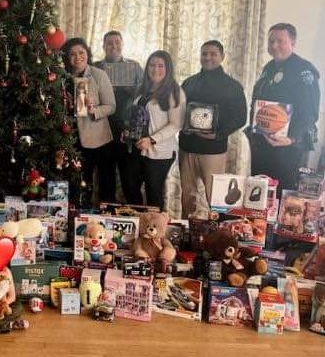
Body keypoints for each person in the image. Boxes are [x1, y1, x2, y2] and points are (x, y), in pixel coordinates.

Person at [247, 23, 320, 192]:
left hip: (287, 148)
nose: (274, 45)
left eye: (280, 41)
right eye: (271, 41)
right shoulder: (268, 68)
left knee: (281, 194)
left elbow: (309, 112)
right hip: (262, 143)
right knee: (259, 192)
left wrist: (292, 138)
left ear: (292, 42)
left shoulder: (305, 70)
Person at [179, 41, 246, 219]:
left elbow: (241, 117)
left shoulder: (232, 86)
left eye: (213, 54)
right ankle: (188, 230)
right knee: (187, 197)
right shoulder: (189, 82)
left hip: (213, 150)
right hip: (187, 148)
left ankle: (219, 232)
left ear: (222, 57)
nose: (208, 57)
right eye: (204, 54)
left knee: (215, 198)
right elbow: (179, 111)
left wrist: (219, 134)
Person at [125, 51, 186, 209]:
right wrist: (128, 132)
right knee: (131, 190)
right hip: (137, 149)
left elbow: (176, 124)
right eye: (152, 65)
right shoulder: (142, 88)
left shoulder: (175, 91)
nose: (155, 69)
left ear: (168, 69)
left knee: (153, 194)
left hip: (159, 152)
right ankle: (137, 220)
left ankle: (154, 224)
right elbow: (137, 115)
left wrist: (152, 140)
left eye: (160, 66)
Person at [62, 37, 116, 203]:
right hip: (73, 139)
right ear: (67, 57)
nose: (77, 57)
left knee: (106, 184)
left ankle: (106, 213)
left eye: (81, 52)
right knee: (80, 183)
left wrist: (95, 111)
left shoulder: (99, 75)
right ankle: (80, 211)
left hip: (99, 139)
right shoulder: (62, 77)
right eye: (72, 54)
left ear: (87, 54)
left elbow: (111, 106)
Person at [94, 31, 143, 202]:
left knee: (130, 179)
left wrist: (133, 90)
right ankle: (105, 213)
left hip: (127, 129)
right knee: (105, 176)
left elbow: (145, 94)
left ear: (122, 44)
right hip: (102, 128)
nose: (113, 46)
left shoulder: (134, 67)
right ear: (103, 46)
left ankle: (136, 213)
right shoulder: (95, 67)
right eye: (109, 43)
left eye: (117, 42)